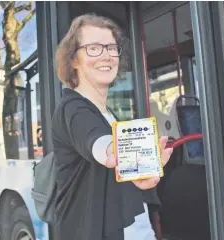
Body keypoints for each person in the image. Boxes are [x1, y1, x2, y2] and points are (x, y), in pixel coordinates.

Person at [51, 13, 173, 240]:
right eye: (94, 48)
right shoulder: (72, 108)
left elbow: (120, 181)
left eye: (111, 47)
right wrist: (113, 151)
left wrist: (143, 171)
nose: (106, 56)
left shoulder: (109, 115)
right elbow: (96, 141)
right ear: (73, 60)